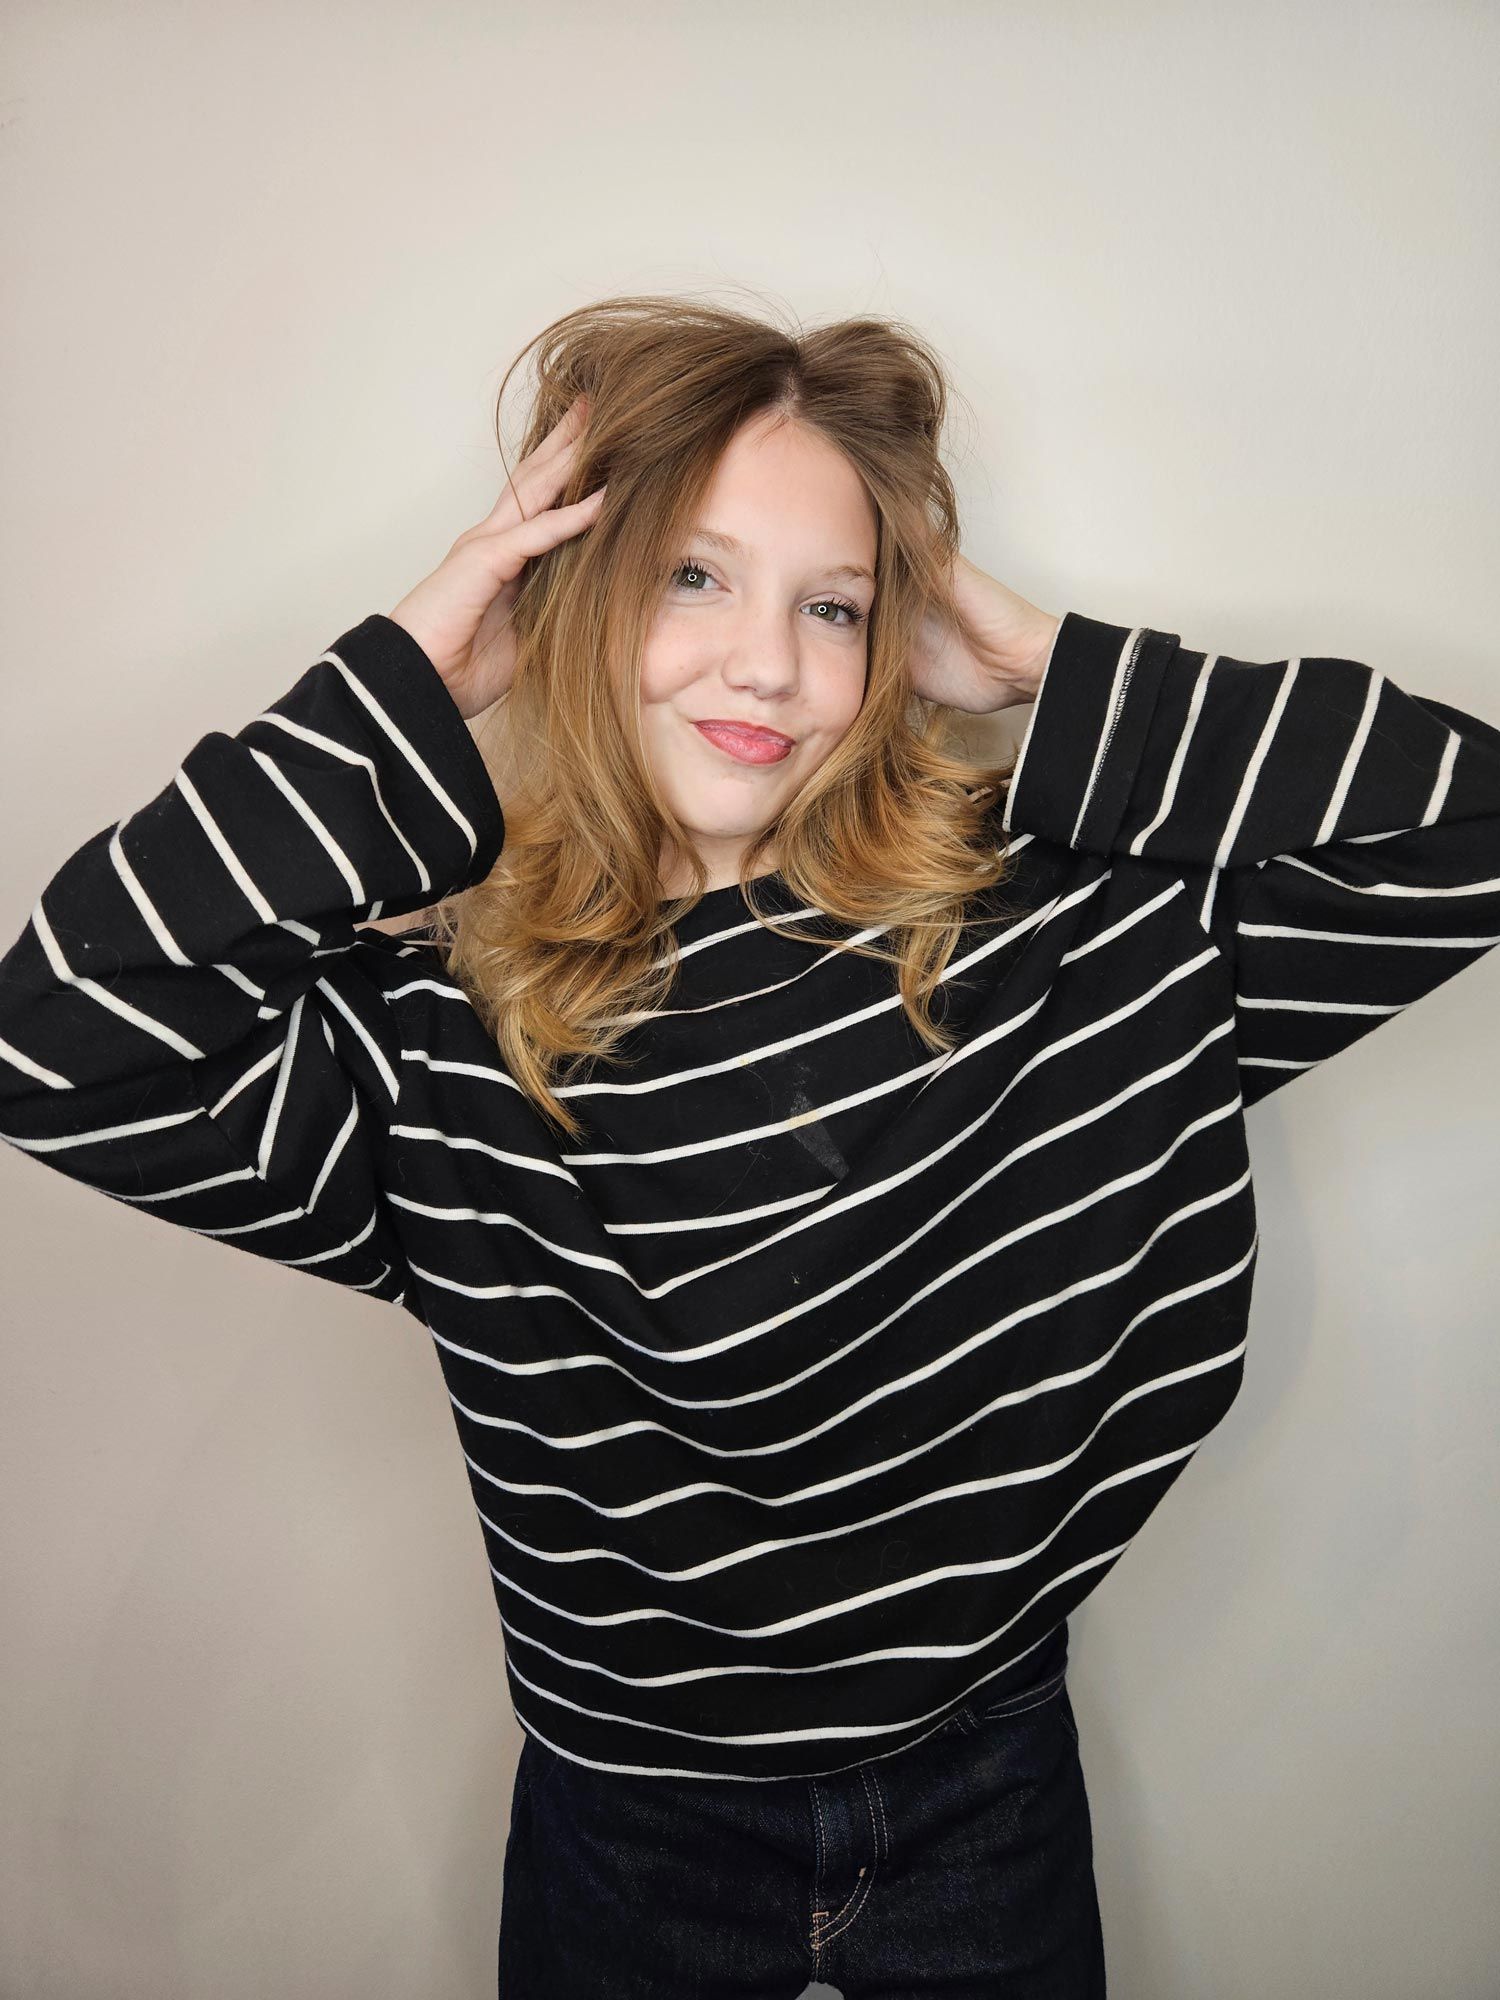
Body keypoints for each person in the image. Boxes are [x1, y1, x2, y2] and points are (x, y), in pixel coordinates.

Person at [3, 296, 1498, 1999]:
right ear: (569, 595)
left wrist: (1040, 666)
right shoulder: (442, 1036)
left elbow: (1467, 826)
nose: (769, 664)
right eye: (690, 577)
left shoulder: (1055, 936)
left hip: (983, 1766)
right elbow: (58, 1035)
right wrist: (411, 677)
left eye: (834, 605)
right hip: (627, 1814)